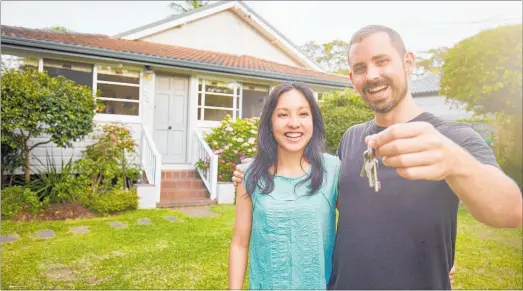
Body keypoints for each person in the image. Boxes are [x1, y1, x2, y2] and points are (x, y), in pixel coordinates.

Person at [232, 25, 522, 290]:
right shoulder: (352, 138)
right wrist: (255, 172)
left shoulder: (452, 137)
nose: (371, 75)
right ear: (352, 79)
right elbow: (348, 208)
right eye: (360, 68)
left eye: (382, 61)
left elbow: (510, 211)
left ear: (408, 63)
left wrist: (457, 163)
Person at [228, 82, 340, 290]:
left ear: (314, 121)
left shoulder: (333, 170)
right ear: (270, 123)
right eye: (283, 115)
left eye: (303, 114)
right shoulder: (248, 174)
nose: (294, 123)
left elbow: (359, 226)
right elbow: (240, 243)